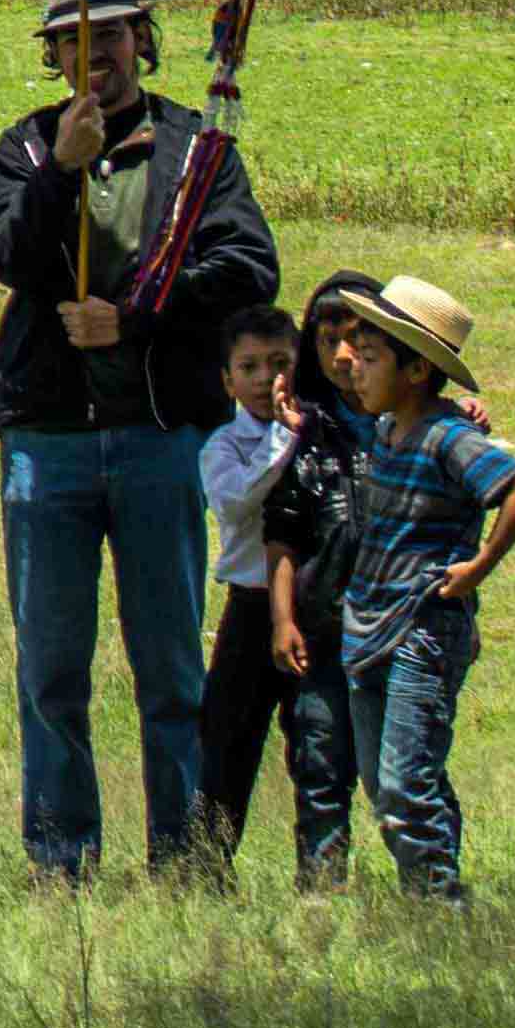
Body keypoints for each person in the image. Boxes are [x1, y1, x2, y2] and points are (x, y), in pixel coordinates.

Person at [0, 0, 278, 880]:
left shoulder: (197, 149)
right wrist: (61, 171)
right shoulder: (25, 146)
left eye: (110, 35)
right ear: (52, 56)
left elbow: (249, 266)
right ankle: (60, 859)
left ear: (143, 42)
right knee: (51, 668)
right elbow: (7, 258)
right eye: (73, 39)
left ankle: (186, 856)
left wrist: (136, 314)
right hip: (48, 438)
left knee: (173, 668)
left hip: (159, 436)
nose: (93, 53)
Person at [322, 276, 515, 906]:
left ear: (416, 369)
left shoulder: (449, 436)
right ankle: (432, 882)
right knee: (381, 779)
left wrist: (477, 566)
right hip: (368, 624)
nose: (352, 369)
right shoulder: (387, 428)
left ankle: (439, 903)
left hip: (422, 629)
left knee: (403, 783)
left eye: (368, 359)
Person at [250, 275, 388, 887]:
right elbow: (281, 534)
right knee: (319, 761)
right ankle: (321, 894)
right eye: (327, 340)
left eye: (358, 341)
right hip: (324, 630)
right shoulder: (304, 434)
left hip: (397, 631)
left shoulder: (416, 425)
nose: (342, 357)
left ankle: (431, 890)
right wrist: (283, 620)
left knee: (404, 768)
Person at [188, 304, 305, 870]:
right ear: (227, 379)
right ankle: (209, 865)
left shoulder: (319, 431)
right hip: (253, 605)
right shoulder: (224, 447)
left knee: (315, 740)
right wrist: (281, 439)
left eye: (280, 363)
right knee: (228, 738)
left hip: (312, 607)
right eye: (250, 366)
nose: (265, 379)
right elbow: (236, 502)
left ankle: (321, 865)